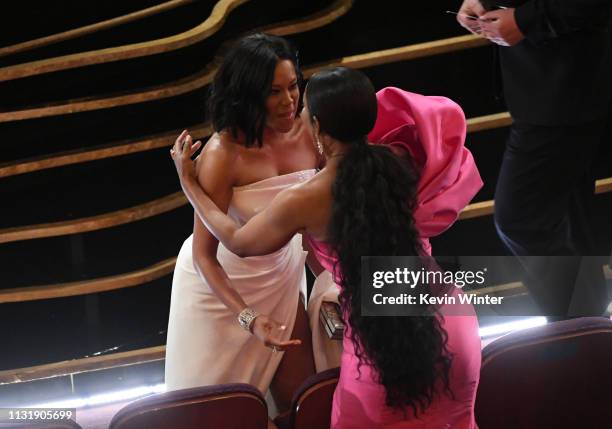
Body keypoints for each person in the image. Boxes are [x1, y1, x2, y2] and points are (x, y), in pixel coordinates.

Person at [171, 67, 483, 428]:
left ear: (317, 127)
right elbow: (443, 127)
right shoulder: (401, 161)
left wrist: (189, 184)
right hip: (452, 322)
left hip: (380, 347)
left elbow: (237, 242)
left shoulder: (306, 198)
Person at [164, 33, 319, 412]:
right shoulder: (222, 153)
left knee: (303, 405)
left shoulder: (311, 128)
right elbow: (204, 256)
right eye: (274, 92)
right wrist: (247, 318)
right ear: (248, 96)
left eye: (293, 86)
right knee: (220, 418)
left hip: (282, 280)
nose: (289, 101)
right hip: (219, 295)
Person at [457, 0, 612, 317]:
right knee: (570, 219)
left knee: (521, 220)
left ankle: (578, 334)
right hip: (549, 83)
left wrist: (526, 20)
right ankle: (590, 335)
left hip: (565, 84)